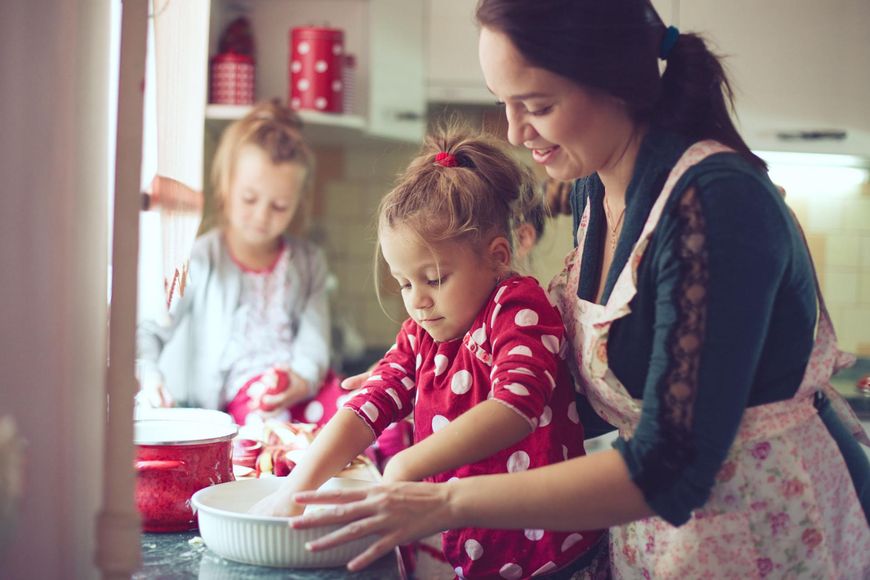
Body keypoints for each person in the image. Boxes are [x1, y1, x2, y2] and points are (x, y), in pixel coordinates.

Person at [283, 1, 870, 577]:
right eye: (503, 103)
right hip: (651, 538)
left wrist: (442, 500)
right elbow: (565, 380)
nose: (514, 130)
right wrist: (435, 383)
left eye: (536, 104)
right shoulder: (594, 188)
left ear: (614, 83)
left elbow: (670, 469)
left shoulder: (715, 204)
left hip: (766, 532)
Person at [250, 125, 610, 579]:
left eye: (435, 279)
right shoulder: (421, 336)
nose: (418, 300)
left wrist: (404, 463)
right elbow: (366, 406)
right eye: (404, 283)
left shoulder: (518, 308)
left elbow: (515, 407)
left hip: (555, 556)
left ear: (498, 257)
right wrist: (294, 492)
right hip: (481, 559)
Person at [136, 100, 341, 427]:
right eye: (249, 199)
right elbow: (148, 330)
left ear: (298, 203)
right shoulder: (201, 259)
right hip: (242, 407)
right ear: (226, 184)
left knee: (361, 416)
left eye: (279, 206)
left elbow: (314, 341)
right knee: (275, 434)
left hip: (303, 389)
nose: (262, 216)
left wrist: (300, 379)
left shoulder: (308, 261)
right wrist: (148, 376)